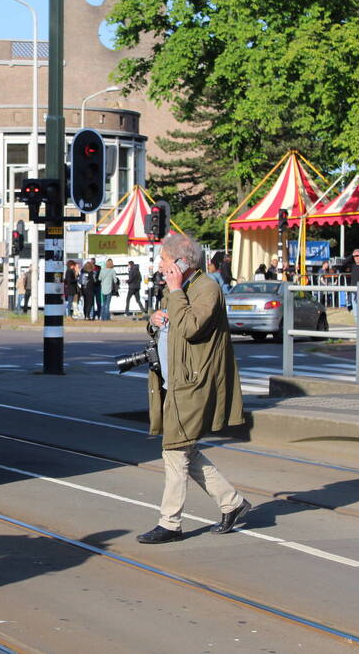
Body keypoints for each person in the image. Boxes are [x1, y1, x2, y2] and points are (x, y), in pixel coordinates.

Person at [136, 233, 250, 544]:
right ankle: (232, 503)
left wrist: (173, 293)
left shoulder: (206, 288)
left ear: (182, 262)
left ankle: (170, 522)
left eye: (164, 260)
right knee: (183, 449)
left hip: (193, 382)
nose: (160, 266)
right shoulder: (180, 288)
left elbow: (190, 328)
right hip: (174, 381)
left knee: (175, 450)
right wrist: (154, 320)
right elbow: (169, 326)